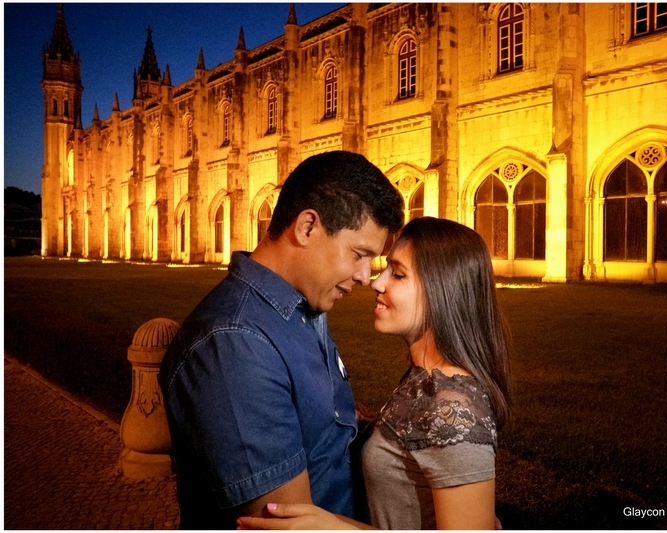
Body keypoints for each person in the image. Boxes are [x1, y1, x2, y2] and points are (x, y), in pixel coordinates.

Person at [158, 150, 404, 529]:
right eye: (359, 254)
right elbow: (285, 524)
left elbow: (331, 434)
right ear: (307, 227)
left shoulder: (299, 309)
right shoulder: (235, 343)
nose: (365, 276)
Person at [238, 217, 512, 530]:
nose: (377, 283)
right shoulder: (422, 380)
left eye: (398, 274)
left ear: (443, 289)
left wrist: (337, 529)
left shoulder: (453, 406)